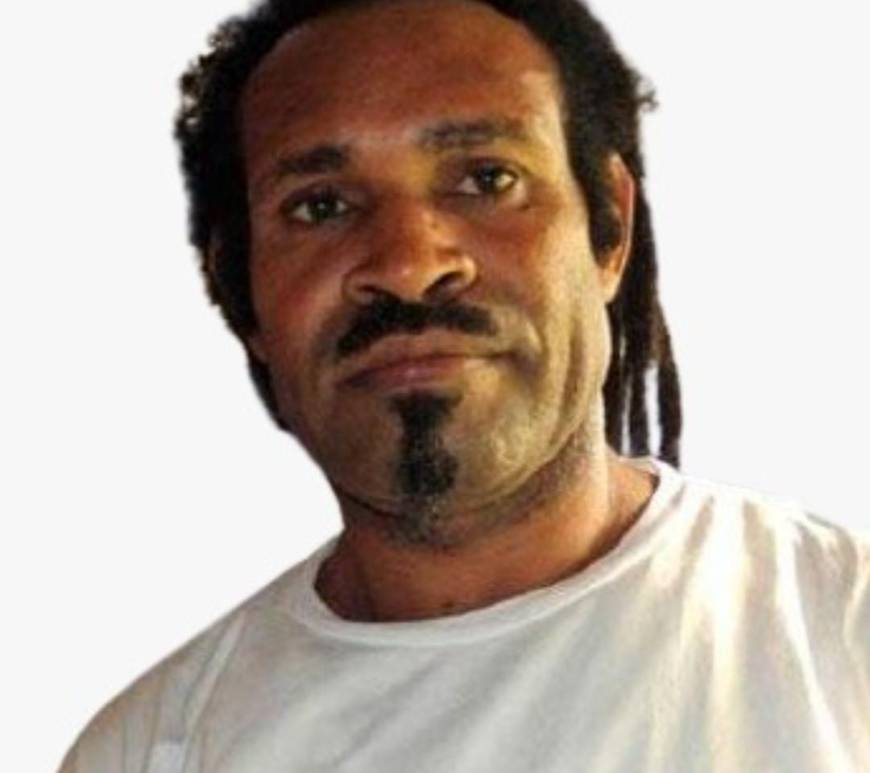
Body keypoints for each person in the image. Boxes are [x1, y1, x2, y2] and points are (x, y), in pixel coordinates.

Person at [59, 0, 869, 770]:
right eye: (321, 206)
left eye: (486, 179)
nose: (410, 264)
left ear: (611, 231)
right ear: (241, 295)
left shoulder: (841, 634)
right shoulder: (150, 749)